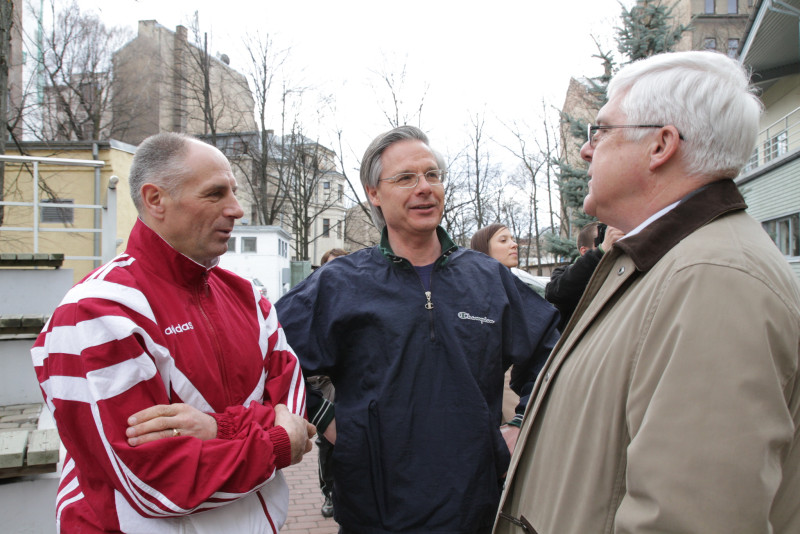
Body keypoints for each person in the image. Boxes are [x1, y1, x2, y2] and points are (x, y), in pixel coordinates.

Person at [494, 51, 800, 534]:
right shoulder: (661, 264)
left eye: (602, 130)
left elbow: (693, 520)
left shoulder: (714, 279)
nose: (586, 151)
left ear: (661, 145)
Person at [275, 126, 560, 533]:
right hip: (376, 509)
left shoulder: (488, 279)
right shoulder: (340, 283)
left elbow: (554, 356)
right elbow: (272, 354)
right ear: (374, 193)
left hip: (474, 506)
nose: (424, 188)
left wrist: (521, 426)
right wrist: (329, 421)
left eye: (432, 175)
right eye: (406, 178)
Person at [31, 132, 315, 533]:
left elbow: (297, 414)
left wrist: (219, 429)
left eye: (233, 192)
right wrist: (274, 441)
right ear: (155, 199)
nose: (236, 209)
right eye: (215, 194)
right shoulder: (95, 312)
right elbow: (158, 484)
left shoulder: (249, 297)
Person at [469, 223, 558, 424]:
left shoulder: (518, 287)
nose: (514, 244)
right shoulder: (476, 291)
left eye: (512, 238)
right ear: (484, 249)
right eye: (503, 240)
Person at [310, 247, 348, 518]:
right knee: (328, 443)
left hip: (357, 386)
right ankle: (329, 494)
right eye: (331, 267)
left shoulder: (362, 298)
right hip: (327, 386)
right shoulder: (312, 303)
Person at [545, 221, 624, 330]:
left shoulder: (620, 270)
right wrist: (602, 251)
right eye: (602, 239)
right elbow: (555, 293)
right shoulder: (563, 273)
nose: (610, 242)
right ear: (584, 251)